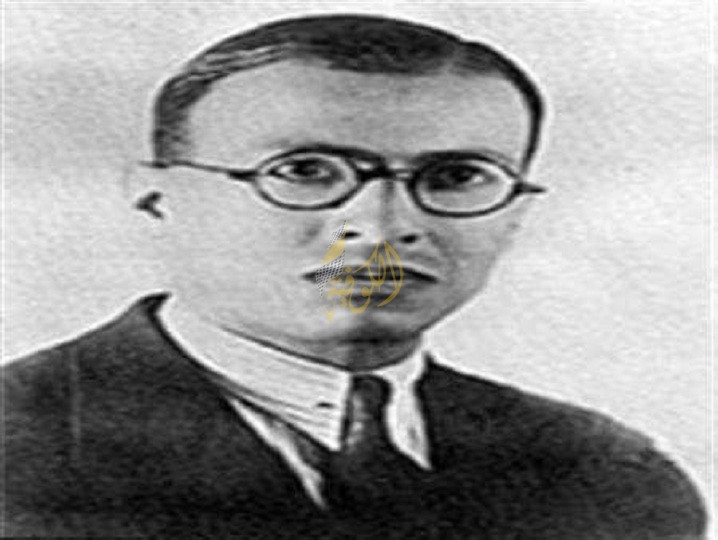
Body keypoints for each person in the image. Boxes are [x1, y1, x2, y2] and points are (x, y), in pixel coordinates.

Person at [2, 14, 706, 539]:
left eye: (456, 176)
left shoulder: (609, 477)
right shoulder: (16, 449)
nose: (380, 226)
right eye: (304, 170)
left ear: (514, 213)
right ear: (159, 198)